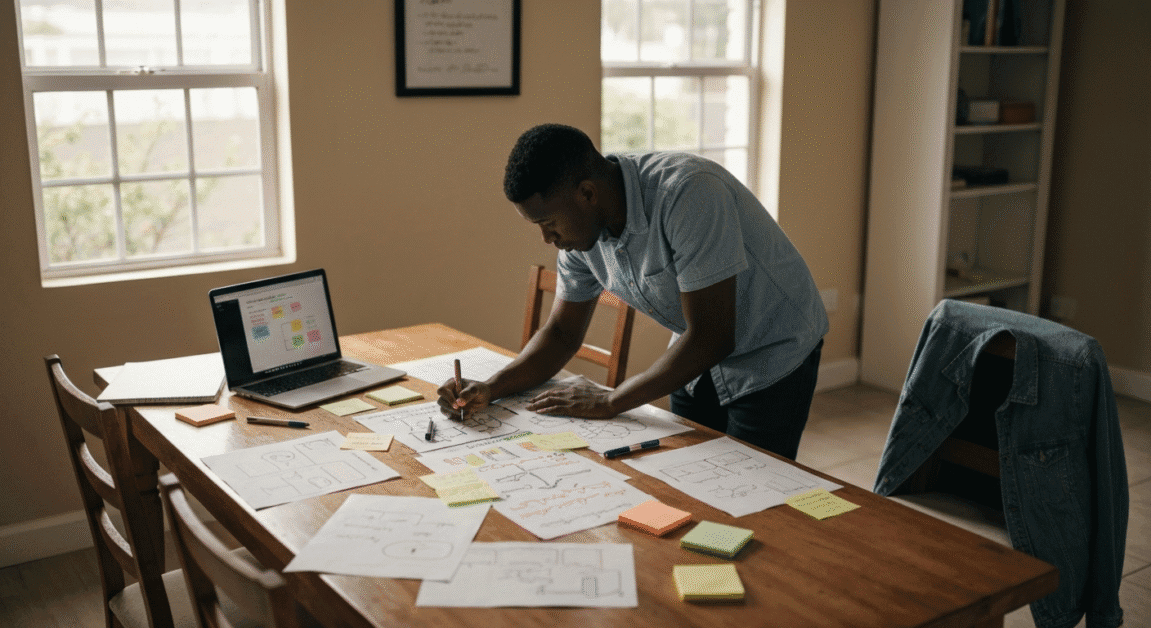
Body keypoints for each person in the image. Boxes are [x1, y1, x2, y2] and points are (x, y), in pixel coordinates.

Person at [437, 123, 828, 460]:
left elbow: (713, 337)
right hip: (694, 351)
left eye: (548, 222)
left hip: (772, 348)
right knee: (693, 475)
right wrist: (492, 387)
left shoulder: (689, 194)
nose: (546, 238)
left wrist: (613, 399)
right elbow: (561, 334)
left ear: (587, 194)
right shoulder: (580, 235)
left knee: (754, 495)